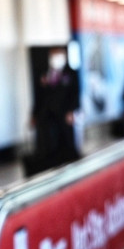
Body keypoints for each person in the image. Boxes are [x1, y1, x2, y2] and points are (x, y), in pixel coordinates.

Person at [28, 46, 80, 174]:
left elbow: (75, 94)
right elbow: (39, 97)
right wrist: (34, 114)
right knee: (47, 143)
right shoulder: (45, 74)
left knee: (65, 142)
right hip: (46, 115)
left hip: (63, 114)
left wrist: (72, 111)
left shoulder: (71, 73)